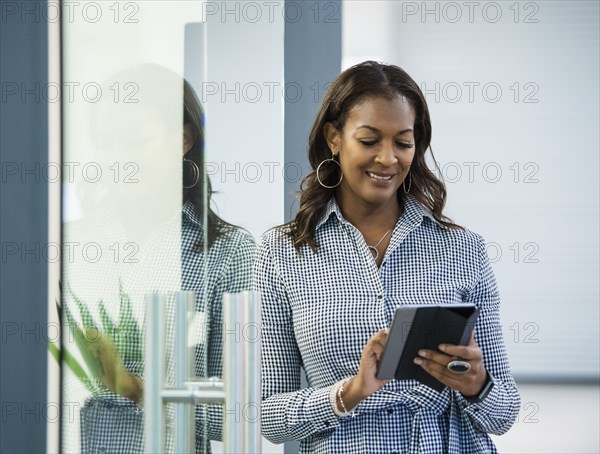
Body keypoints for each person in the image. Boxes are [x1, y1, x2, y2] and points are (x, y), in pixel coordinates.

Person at [253, 60, 520, 453]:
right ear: (334, 137)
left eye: (403, 142)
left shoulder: (464, 249)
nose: (387, 158)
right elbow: (268, 417)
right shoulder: (281, 253)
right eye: (369, 140)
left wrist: (477, 385)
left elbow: (505, 412)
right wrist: (351, 392)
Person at [61, 64, 255, 453]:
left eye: (135, 141)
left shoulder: (228, 251)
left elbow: (239, 411)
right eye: (105, 142)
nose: (118, 159)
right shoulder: (70, 243)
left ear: (182, 139)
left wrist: (139, 390)